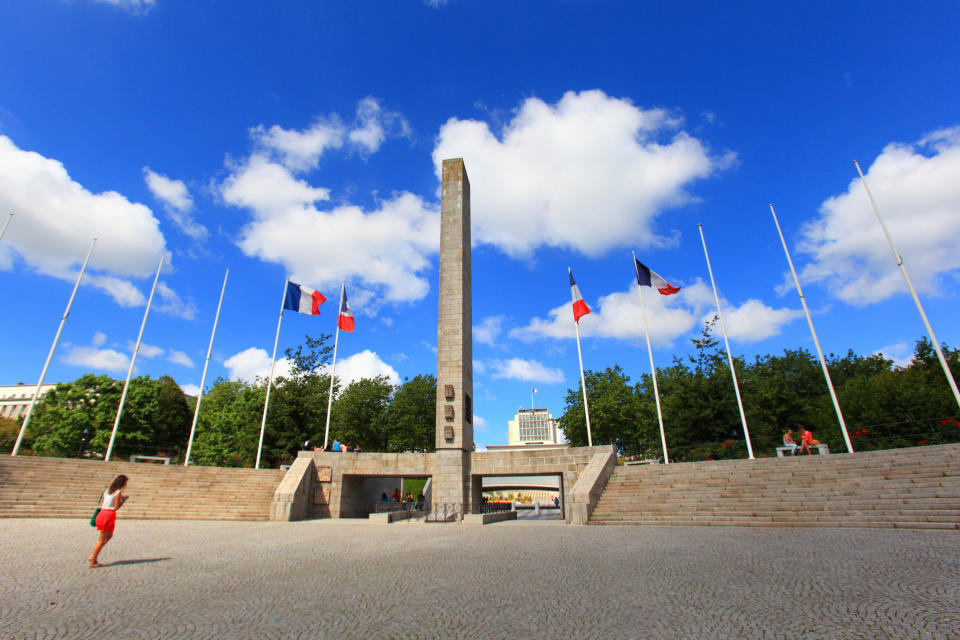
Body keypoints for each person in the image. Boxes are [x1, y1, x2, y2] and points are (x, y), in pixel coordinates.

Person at [88, 474, 129, 568]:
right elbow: (116, 506)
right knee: (101, 540)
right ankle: (92, 558)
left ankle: (94, 556)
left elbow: (103, 503)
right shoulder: (118, 492)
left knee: (109, 536)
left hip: (102, 513)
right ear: (123, 483)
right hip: (109, 514)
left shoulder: (106, 491)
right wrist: (124, 500)